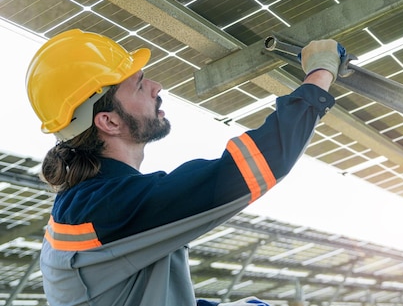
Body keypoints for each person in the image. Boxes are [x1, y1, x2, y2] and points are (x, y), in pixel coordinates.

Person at [25, 29, 341, 306]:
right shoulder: (106, 210)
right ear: (109, 121)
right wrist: (320, 73)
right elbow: (256, 165)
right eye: (137, 85)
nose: (155, 86)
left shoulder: (90, 208)